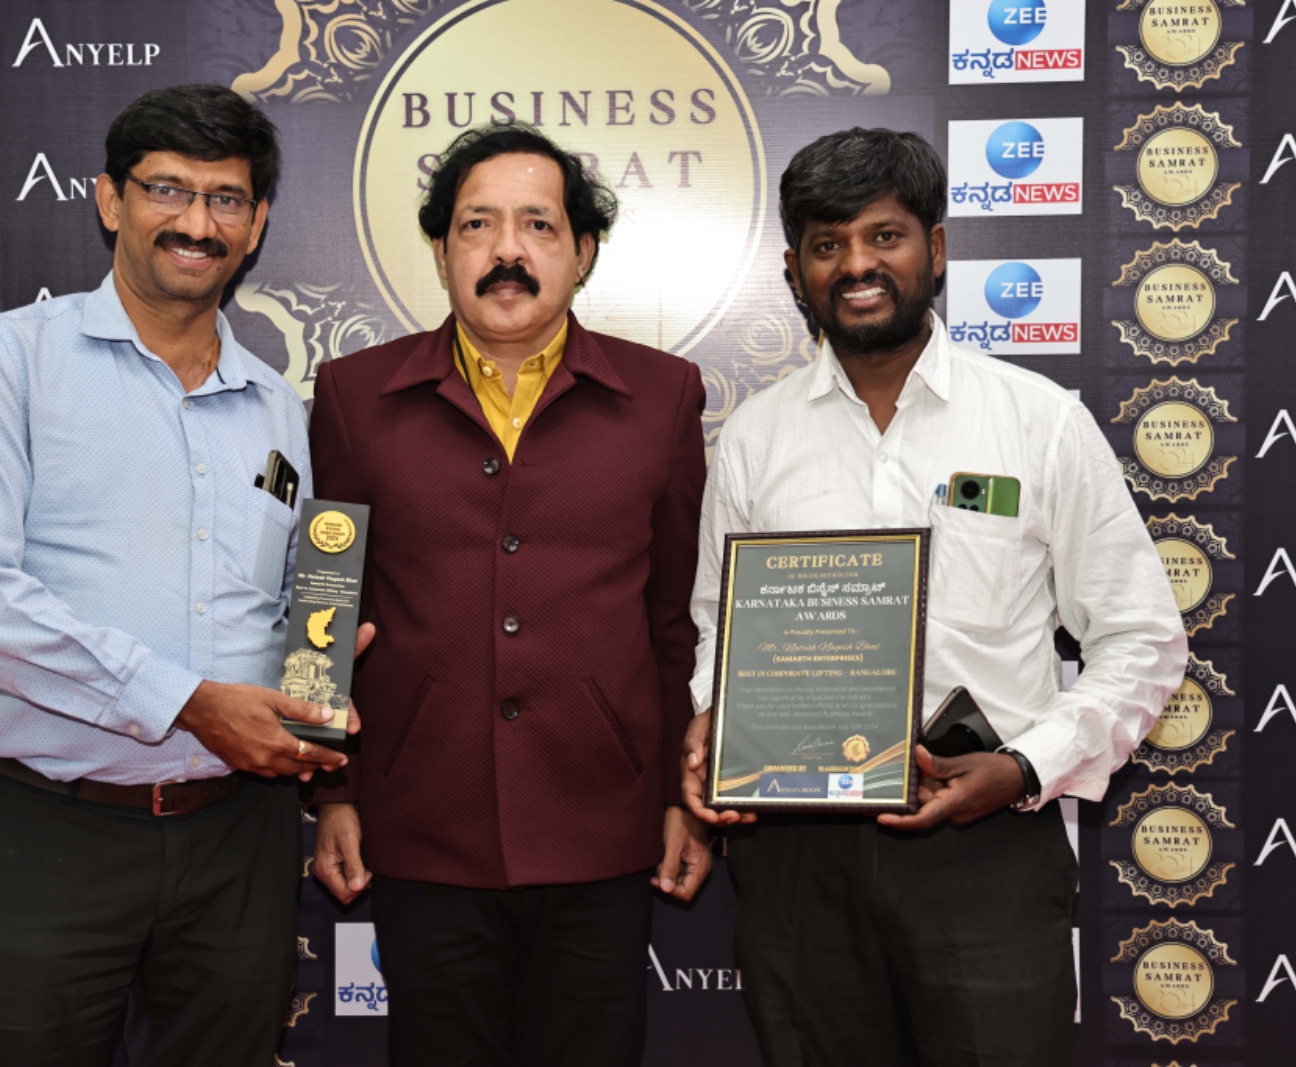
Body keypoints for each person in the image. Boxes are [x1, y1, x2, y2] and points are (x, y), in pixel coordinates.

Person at [680, 128, 1187, 1067]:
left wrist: (1026, 768)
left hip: (986, 842)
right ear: (793, 272)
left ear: (937, 248)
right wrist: (718, 715)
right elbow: (718, 624)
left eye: (885, 235)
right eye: (827, 244)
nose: (856, 265)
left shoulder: (1039, 420)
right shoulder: (753, 436)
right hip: (798, 855)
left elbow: (1141, 638)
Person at [0, 84, 370, 1067]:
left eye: (225, 199)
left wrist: (315, 678)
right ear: (109, 199)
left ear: (256, 224)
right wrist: (191, 702)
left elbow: (282, 606)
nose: (196, 223)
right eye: (167, 189)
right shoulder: (7, 361)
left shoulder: (275, 407)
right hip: (56, 829)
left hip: (240, 836)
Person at [308, 123, 709, 1067]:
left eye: (538, 224)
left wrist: (677, 797)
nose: (507, 250)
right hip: (420, 821)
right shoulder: (355, 396)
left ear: (583, 250)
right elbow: (323, 608)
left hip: (603, 823)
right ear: (442, 250)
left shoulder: (662, 395)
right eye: (477, 224)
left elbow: (672, 620)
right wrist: (333, 791)